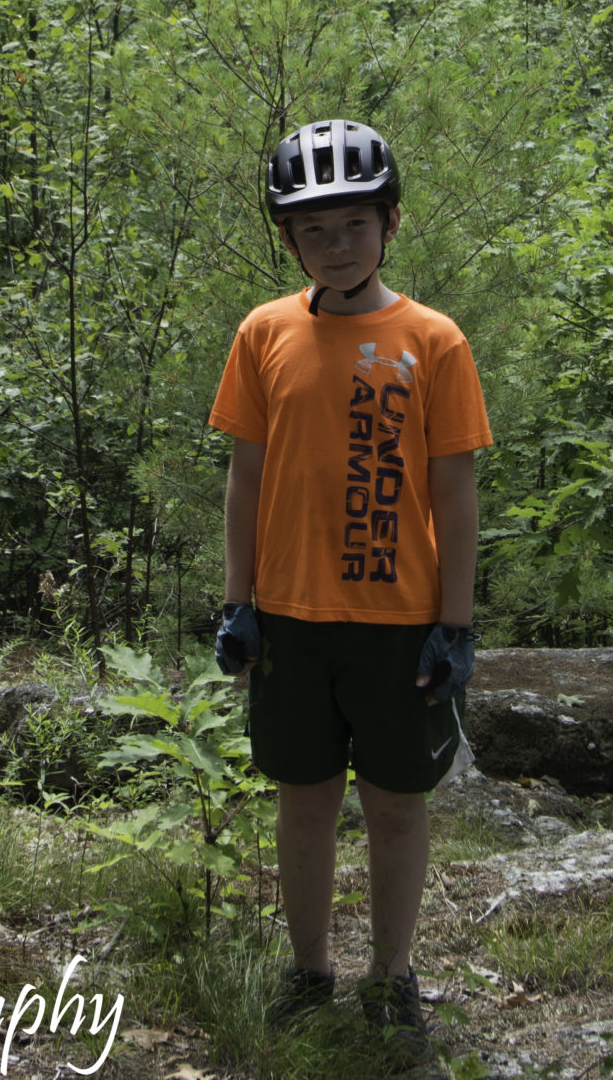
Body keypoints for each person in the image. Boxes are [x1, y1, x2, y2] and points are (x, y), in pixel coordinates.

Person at [207, 119, 491, 1060]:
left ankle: (391, 973)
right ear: (291, 241)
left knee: (399, 801)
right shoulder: (264, 333)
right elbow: (246, 474)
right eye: (314, 231)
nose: (336, 246)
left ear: (391, 224)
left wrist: (455, 621)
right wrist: (238, 599)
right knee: (305, 795)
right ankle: (309, 968)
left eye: (354, 225)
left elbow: (454, 486)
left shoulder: (433, 340)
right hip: (291, 613)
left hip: (399, 620)